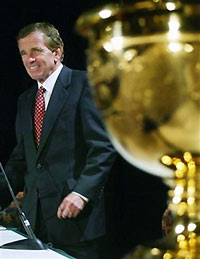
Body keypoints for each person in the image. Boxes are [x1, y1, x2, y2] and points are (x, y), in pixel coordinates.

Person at [0, 22, 117, 259]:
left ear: (57, 52)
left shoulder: (84, 85)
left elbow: (103, 147)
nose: (29, 59)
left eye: (36, 50)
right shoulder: (26, 100)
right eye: (23, 53)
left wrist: (82, 193)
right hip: (35, 223)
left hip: (77, 223)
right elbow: (22, 158)